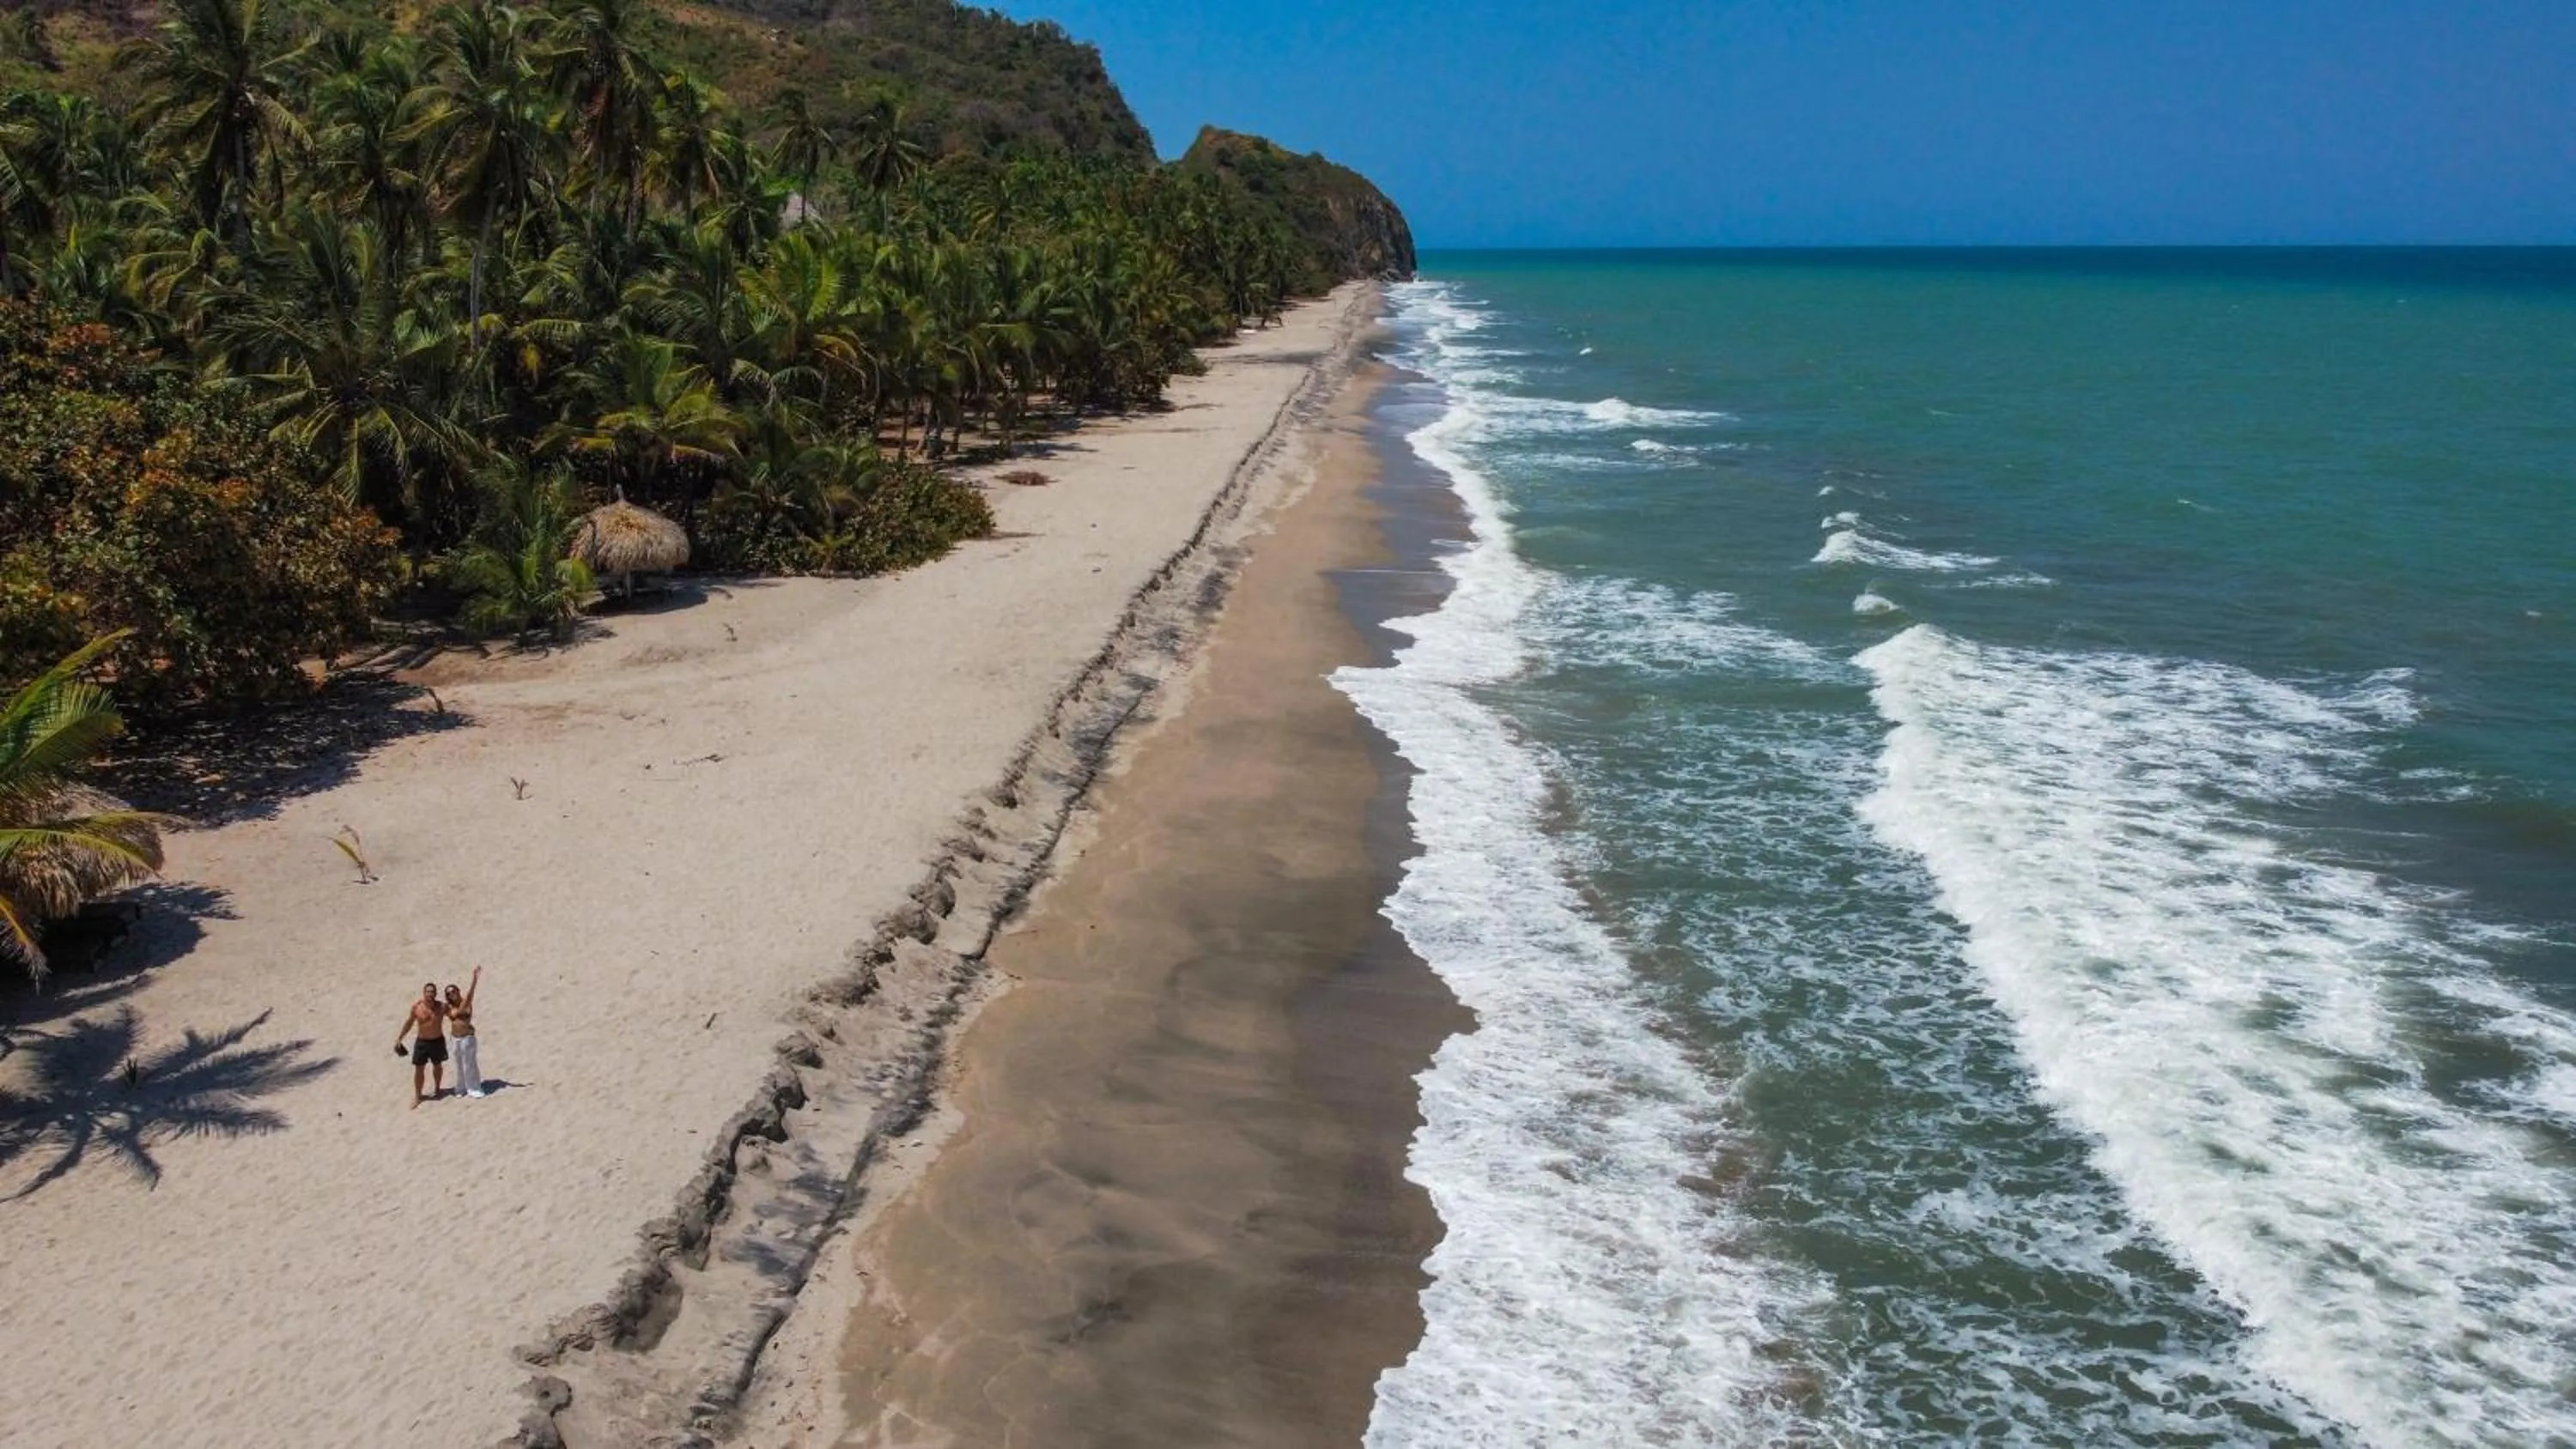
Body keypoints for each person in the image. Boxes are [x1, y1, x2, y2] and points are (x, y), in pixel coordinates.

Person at [394, 981, 448, 1108]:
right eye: (428, 991)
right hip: (422, 1042)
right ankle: (418, 1096)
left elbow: (454, 1014)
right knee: (419, 1069)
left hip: (437, 1040)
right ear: (424, 993)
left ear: (435, 993)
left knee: (438, 1066)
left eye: (432, 991)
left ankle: (437, 1089)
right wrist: (400, 1038)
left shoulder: (442, 1007)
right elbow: (409, 1023)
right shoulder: (417, 1007)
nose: (430, 994)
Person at [444, 967, 485, 1099]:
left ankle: (474, 1088)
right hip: (455, 1039)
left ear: (458, 991)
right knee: (459, 1064)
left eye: (453, 991)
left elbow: (471, 992)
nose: (451, 994)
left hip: (467, 1038)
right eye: (449, 993)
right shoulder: (448, 1007)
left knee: (470, 1064)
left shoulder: (465, 1002)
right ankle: (461, 1087)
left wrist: (474, 978)